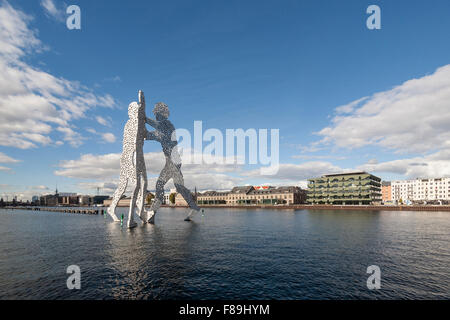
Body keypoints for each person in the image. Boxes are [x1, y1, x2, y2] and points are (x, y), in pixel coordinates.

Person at [145, 102, 199, 223]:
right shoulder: (162, 132)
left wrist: (143, 117)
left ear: (163, 114)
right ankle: (194, 207)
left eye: (157, 114)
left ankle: (152, 212)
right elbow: (150, 135)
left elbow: (156, 127)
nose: (156, 117)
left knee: (159, 185)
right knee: (179, 187)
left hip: (173, 162)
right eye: (155, 115)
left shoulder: (168, 125)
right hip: (171, 161)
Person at [107, 91, 148, 228]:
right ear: (131, 112)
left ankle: (113, 209)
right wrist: (142, 107)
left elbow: (146, 135)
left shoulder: (139, 124)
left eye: (138, 110)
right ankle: (132, 217)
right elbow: (133, 142)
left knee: (130, 185)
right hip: (129, 159)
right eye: (135, 111)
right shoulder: (130, 125)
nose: (137, 113)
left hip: (138, 158)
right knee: (135, 185)